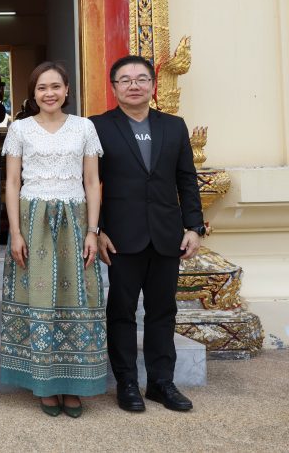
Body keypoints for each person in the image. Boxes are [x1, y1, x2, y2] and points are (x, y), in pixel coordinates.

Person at [91, 55, 205, 413]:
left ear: (153, 86)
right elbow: (90, 183)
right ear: (114, 88)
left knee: (163, 310)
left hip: (167, 234)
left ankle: (161, 382)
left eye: (141, 79)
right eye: (125, 80)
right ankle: (127, 383)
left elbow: (187, 179)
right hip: (121, 237)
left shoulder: (174, 126)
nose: (134, 85)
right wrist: (98, 230)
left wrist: (194, 226)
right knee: (121, 311)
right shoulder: (97, 126)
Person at [0, 62, 106, 417]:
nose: (49, 93)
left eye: (56, 86)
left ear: (67, 90)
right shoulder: (20, 129)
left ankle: (74, 383)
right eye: (42, 87)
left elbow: (91, 182)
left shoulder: (84, 127)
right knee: (39, 298)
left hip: (75, 221)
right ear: (33, 92)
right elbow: (12, 182)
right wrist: (15, 232)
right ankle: (44, 383)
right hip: (34, 221)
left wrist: (93, 231)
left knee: (78, 299)